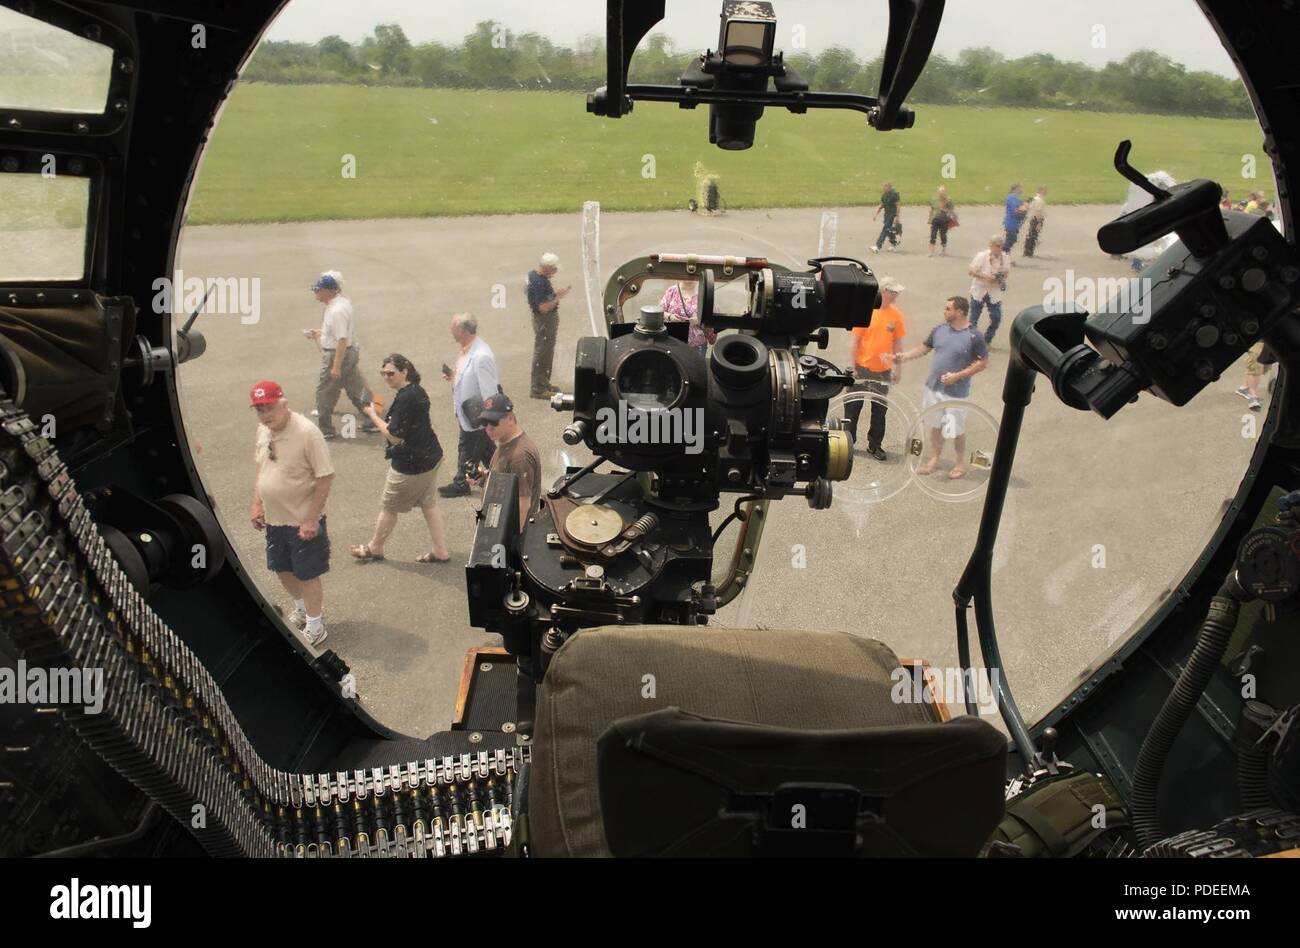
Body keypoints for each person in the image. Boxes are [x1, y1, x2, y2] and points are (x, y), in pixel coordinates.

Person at [248, 380, 334, 646]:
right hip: (275, 520)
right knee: (282, 568)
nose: (265, 415)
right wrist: (257, 503)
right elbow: (262, 470)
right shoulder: (264, 430)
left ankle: (316, 625)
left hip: (301, 521)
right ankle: (301, 609)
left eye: (270, 408)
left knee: (307, 574)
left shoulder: (307, 432)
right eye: (259, 410)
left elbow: (325, 477)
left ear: (284, 404)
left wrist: (311, 519)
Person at [350, 354, 451, 564]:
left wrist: (372, 415)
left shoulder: (406, 397)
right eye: (383, 373)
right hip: (430, 457)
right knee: (428, 504)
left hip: (411, 464)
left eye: (391, 373)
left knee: (389, 506)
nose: (386, 377)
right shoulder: (416, 390)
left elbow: (394, 436)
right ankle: (440, 550)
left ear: (405, 371)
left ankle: (374, 548)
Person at [884, 297, 989, 479]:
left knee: (956, 430)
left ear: (960, 312)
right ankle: (934, 459)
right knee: (935, 426)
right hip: (933, 389)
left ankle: (959, 464)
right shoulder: (939, 330)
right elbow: (923, 349)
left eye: (948, 308)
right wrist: (904, 356)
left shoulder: (974, 336)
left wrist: (957, 376)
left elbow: (982, 363)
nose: (944, 311)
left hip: (956, 394)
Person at [306, 271, 377, 440]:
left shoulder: (336, 311)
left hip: (338, 355)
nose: (316, 292)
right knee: (357, 387)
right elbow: (340, 333)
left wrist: (336, 365)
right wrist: (321, 333)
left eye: (318, 289)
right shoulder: (342, 303)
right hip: (347, 353)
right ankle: (372, 420)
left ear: (329, 291)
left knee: (324, 390)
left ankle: (325, 429)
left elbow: (342, 339)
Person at [842, 277, 906, 461]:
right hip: (861, 369)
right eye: (894, 292)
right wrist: (853, 367)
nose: (897, 295)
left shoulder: (896, 316)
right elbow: (855, 342)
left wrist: (898, 369)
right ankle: (848, 443)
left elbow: (898, 344)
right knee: (853, 408)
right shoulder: (867, 312)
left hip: (883, 371)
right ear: (885, 291)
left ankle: (875, 445)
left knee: (879, 410)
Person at [439, 314, 499, 498]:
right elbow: (466, 375)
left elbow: (489, 390)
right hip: (467, 413)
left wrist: (489, 419)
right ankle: (504, 476)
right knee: (486, 451)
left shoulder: (481, 356)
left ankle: (461, 482)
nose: (450, 331)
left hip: (477, 416)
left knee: (467, 448)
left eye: (453, 328)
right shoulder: (466, 349)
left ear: (463, 331)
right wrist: (453, 376)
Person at [468, 392, 543, 530]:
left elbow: (522, 505)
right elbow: (508, 480)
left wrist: (509, 542)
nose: (488, 428)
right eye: (485, 422)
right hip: (499, 523)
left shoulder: (519, 456)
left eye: (494, 422)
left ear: (509, 418)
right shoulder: (505, 441)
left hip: (510, 534)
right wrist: (485, 477)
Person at [527, 252, 571, 399]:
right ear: (546, 268)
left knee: (547, 351)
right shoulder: (539, 283)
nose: (555, 272)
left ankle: (544, 383)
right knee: (543, 352)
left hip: (544, 320)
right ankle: (538, 388)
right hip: (544, 321)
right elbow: (543, 307)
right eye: (553, 269)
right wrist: (558, 297)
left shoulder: (535, 276)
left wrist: (554, 295)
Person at [968, 234, 1011, 346]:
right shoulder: (982, 256)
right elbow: (971, 271)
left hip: (994, 292)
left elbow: (1006, 272)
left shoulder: (1005, 257)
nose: (1000, 248)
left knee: (997, 317)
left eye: (1001, 246)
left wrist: (1000, 278)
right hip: (979, 290)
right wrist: (985, 277)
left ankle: (987, 340)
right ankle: (973, 342)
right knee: (973, 319)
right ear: (991, 245)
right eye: (997, 246)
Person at [659, 280, 712, 353]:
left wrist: (699, 320)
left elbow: (711, 318)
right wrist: (670, 316)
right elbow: (659, 312)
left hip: (697, 345)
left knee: (696, 364)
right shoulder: (671, 291)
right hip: (673, 343)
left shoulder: (704, 292)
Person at [1236, 342, 1271, 412]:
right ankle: (1253, 397)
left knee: (1263, 367)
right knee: (1255, 368)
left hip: (1268, 344)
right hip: (1258, 342)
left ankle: (1244, 388)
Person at [871, 180, 902, 253]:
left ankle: (878, 246)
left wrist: (897, 217)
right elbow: (882, 205)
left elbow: (898, 206)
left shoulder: (894, 194)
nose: (884, 188)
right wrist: (876, 214)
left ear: (889, 187)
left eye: (885, 187)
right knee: (889, 230)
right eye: (883, 187)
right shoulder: (884, 195)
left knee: (885, 229)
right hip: (887, 215)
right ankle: (894, 243)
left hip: (892, 214)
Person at [927, 186, 956, 256]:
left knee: (943, 235)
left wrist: (951, 222)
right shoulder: (935, 200)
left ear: (945, 193)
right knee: (933, 235)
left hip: (944, 220)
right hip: (935, 219)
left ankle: (943, 250)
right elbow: (931, 209)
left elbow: (952, 211)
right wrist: (929, 218)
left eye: (943, 193)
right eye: (940, 193)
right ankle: (931, 251)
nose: (941, 194)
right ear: (938, 193)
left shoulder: (949, 201)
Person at [1001, 183, 1028, 254]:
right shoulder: (1012, 198)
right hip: (1011, 223)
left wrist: (1025, 205)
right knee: (1010, 240)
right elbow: (1015, 210)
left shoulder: (1015, 198)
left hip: (1014, 223)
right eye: (1020, 188)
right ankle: (1001, 256)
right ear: (1015, 189)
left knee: (1011, 240)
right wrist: (1024, 209)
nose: (1021, 190)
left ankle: (1006, 258)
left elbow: (1021, 206)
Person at [1022, 186, 1047, 257]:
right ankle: (1028, 252)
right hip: (1036, 219)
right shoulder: (1039, 200)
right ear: (1041, 191)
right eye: (1044, 190)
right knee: (1033, 236)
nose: (1046, 192)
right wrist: (1039, 222)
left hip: (1033, 219)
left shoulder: (1035, 198)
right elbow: (1038, 212)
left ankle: (1027, 251)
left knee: (1031, 235)